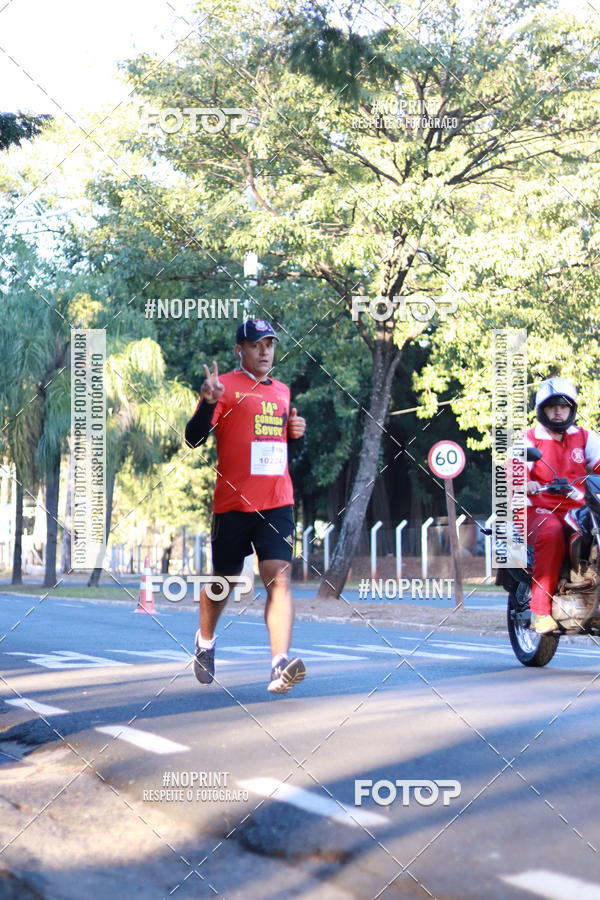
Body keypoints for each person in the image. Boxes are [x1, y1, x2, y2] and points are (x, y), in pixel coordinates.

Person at [184, 318, 307, 692]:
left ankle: (279, 665)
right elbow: (193, 439)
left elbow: (281, 447)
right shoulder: (224, 388)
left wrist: (296, 435)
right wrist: (207, 402)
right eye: (256, 345)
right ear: (240, 350)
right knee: (223, 581)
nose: (265, 351)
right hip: (232, 505)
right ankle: (205, 640)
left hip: (276, 502)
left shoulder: (283, 392)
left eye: (269, 344)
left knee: (279, 577)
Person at [525, 377, 600, 633]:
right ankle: (540, 611)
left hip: (577, 508)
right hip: (538, 509)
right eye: (552, 406)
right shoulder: (529, 438)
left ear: (572, 409)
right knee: (552, 532)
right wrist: (526, 482)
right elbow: (512, 468)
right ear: (542, 410)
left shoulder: (584, 436)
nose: (559, 411)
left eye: (564, 406)